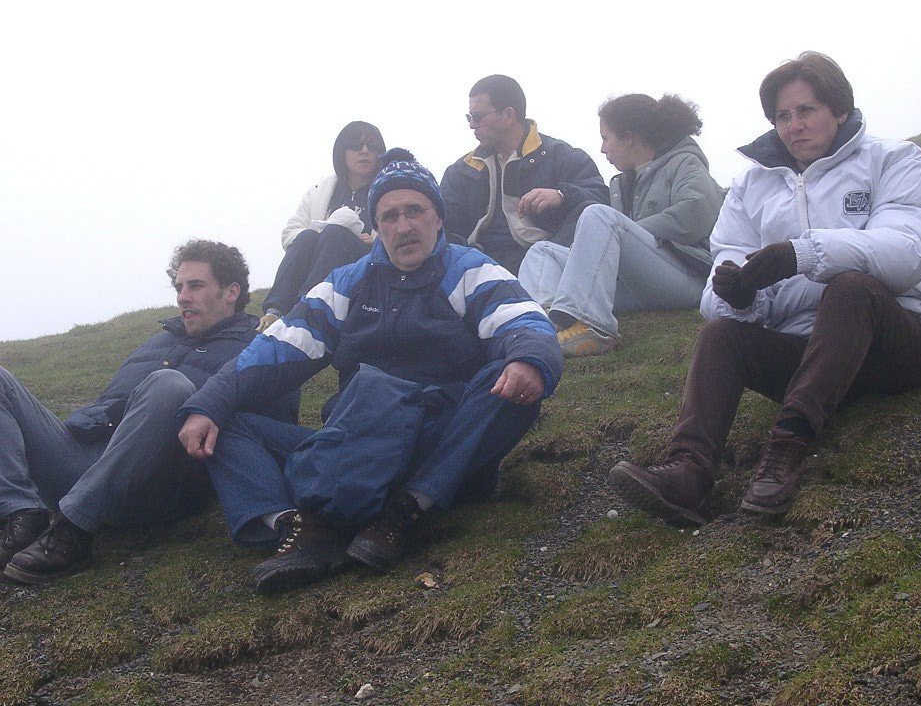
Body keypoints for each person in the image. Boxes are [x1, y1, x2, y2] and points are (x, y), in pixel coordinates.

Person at [178, 149, 562, 595]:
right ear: (376, 227)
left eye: (415, 211)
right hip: (356, 439)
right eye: (389, 216)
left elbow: (525, 322)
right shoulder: (346, 283)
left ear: (438, 217)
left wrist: (527, 359)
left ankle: (407, 508)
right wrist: (209, 403)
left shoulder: (470, 270)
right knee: (225, 422)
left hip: (438, 441)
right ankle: (297, 526)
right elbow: (274, 348)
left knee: (512, 382)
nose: (403, 226)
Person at [609, 52, 921, 523]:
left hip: (901, 344)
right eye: (782, 116)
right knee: (720, 334)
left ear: (839, 109)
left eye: (806, 110)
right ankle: (687, 472)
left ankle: (788, 448)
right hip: (811, 355)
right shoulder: (751, 186)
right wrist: (739, 296)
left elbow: (908, 251)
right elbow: (725, 265)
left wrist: (802, 255)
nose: (794, 126)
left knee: (851, 288)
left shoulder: (895, 160)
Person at [0, 240, 300, 584]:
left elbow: (267, 430)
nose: (183, 297)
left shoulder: (259, 348)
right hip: (86, 459)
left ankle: (73, 530)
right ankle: (21, 516)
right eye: (179, 287)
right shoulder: (159, 341)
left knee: (169, 384)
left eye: (196, 286)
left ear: (231, 292)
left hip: (155, 483)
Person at [519, 93, 725, 357]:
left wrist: (626, 231)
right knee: (542, 251)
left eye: (606, 138)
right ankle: (543, 327)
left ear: (628, 137)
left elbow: (696, 215)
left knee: (599, 215)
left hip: (688, 278)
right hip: (640, 285)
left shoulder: (685, 162)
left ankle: (594, 328)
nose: (603, 148)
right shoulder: (623, 182)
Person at [440, 74, 609, 273]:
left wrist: (562, 195)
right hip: (479, 266)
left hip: (545, 262)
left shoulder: (561, 156)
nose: (472, 125)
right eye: (469, 117)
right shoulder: (460, 171)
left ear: (508, 115)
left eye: (477, 117)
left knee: (590, 211)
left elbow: (602, 205)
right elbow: (442, 226)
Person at [258, 121, 386, 332]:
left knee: (335, 234)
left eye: (371, 147)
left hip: (366, 265)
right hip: (320, 258)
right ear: (342, 152)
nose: (364, 151)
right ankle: (275, 310)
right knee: (308, 236)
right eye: (356, 145)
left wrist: (375, 241)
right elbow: (290, 233)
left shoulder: (388, 190)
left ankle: (307, 307)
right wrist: (321, 233)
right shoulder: (321, 190)